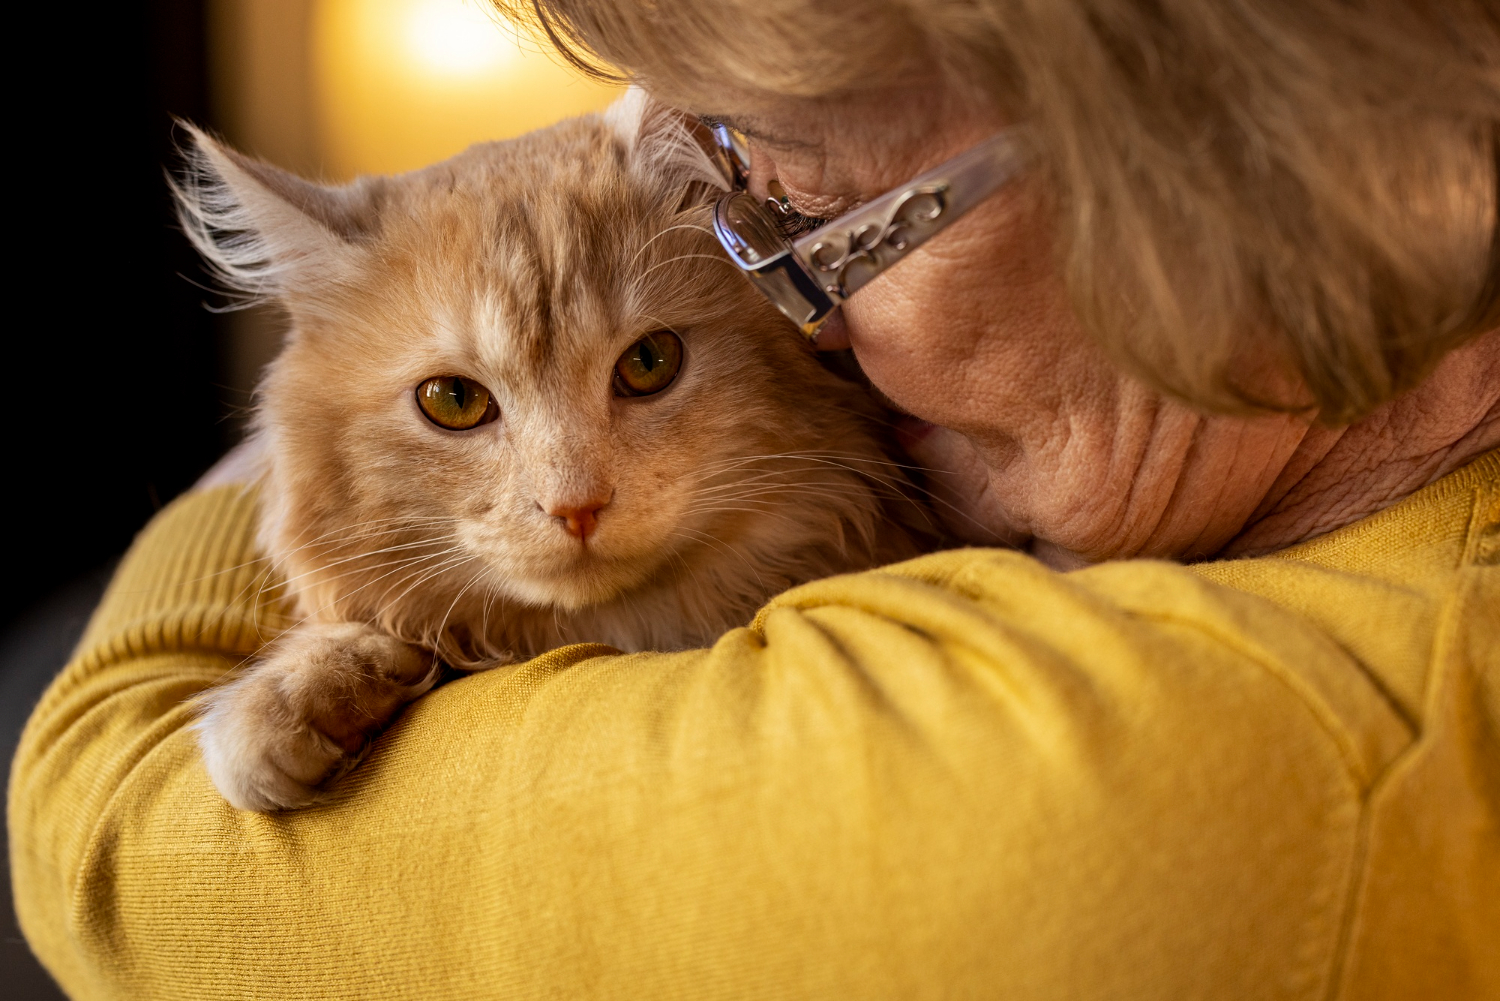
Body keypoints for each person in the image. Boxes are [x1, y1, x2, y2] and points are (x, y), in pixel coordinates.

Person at [10, 1, 1497, 997]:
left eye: (819, 212)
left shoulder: (1243, 767)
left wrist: (282, 466)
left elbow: (115, 824)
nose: (805, 321)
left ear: (1219, 149)